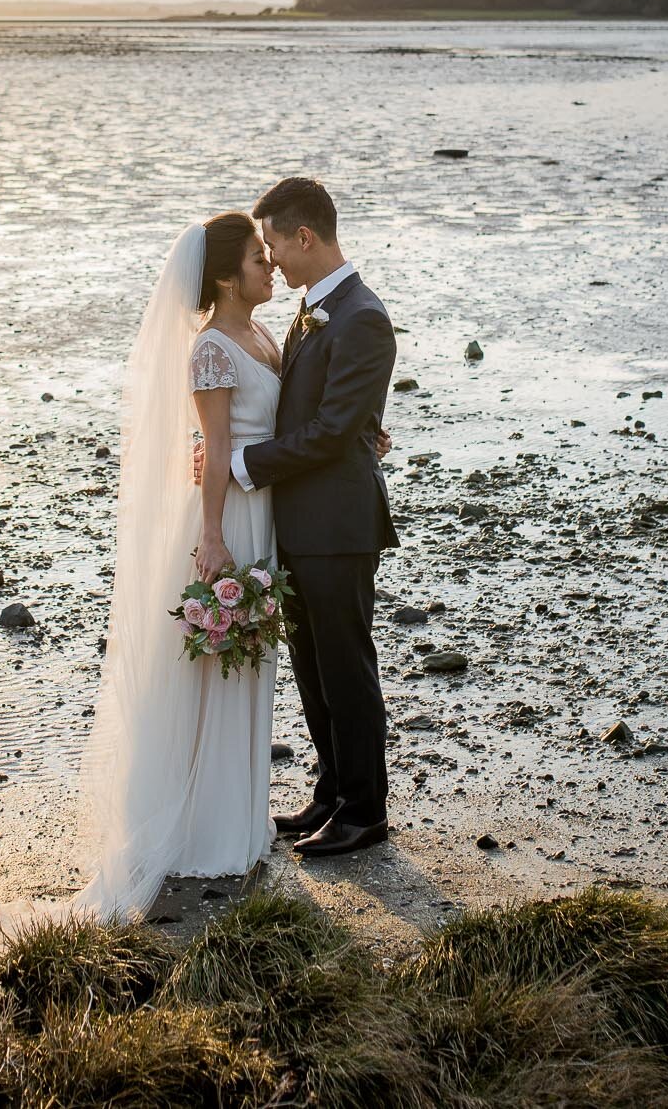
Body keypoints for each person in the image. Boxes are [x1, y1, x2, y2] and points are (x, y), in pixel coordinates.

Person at [71, 212, 284, 917]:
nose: (270, 264)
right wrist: (214, 535)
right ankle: (206, 833)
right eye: (258, 256)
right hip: (231, 515)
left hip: (264, 509)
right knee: (221, 666)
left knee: (251, 663)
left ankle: (244, 818)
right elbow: (216, 445)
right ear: (225, 274)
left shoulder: (262, 335)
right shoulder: (213, 349)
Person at [222, 176, 400, 859]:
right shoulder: (312, 309)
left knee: (347, 669)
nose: (271, 260)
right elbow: (336, 412)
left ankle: (365, 809)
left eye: (274, 244)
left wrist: (244, 463)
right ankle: (331, 790)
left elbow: (328, 432)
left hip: (339, 525)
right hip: (302, 521)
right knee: (312, 666)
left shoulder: (361, 315)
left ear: (305, 236)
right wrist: (367, 429)